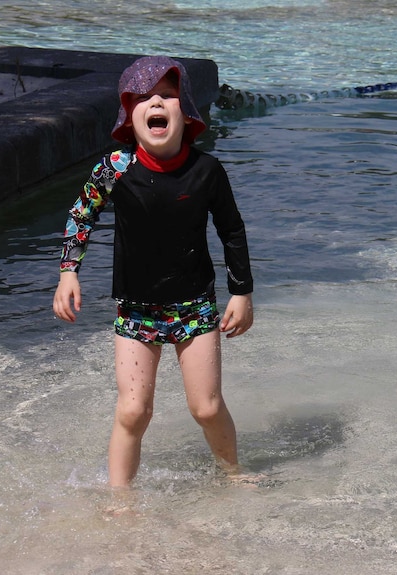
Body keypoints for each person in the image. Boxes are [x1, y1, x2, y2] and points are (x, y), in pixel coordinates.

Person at [53, 56, 254, 488]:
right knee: (133, 410)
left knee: (206, 407)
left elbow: (231, 230)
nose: (156, 102)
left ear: (188, 113)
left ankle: (233, 473)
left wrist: (242, 292)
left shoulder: (206, 171)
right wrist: (69, 271)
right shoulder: (114, 168)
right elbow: (80, 215)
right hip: (136, 306)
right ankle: (119, 498)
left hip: (195, 306)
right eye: (143, 97)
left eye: (167, 95)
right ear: (129, 114)